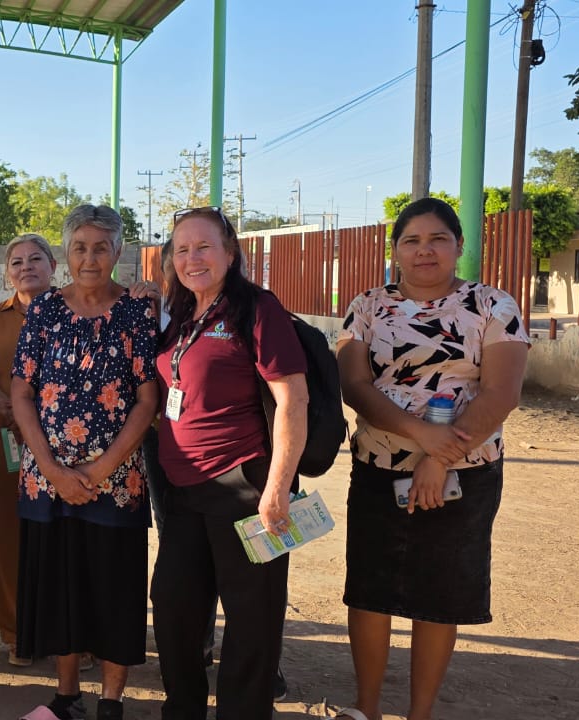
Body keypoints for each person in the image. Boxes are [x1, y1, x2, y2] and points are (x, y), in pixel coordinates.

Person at [333, 198, 528, 720]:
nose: (425, 251)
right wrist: (421, 435)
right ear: (395, 250)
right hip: (377, 467)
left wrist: (440, 459)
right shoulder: (368, 306)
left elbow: (501, 392)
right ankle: (366, 708)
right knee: (370, 592)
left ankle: (420, 713)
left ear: (459, 246)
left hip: (466, 472)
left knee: (440, 594)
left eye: (437, 239)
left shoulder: (494, 306)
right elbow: (354, 384)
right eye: (412, 241)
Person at [152, 206, 307, 720]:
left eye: (203, 247)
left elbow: (292, 401)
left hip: (245, 486)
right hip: (184, 491)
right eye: (181, 249)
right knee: (174, 608)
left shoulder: (256, 309)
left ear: (231, 252)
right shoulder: (181, 313)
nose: (191, 258)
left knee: (252, 621)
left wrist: (278, 488)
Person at [12, 206, 159, 720]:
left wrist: (98, 472)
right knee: (60, 589)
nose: (90, 257)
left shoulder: (138, 313)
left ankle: (111, 701)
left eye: (101, 247)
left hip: (116, 484)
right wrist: (51, 469)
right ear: (66, 254)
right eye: (80, 247)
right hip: (47, 482)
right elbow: (21, 391)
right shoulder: (45, 310)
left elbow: (147, 399)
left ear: (119, 252)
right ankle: (67, 694)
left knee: (114, 591)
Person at [0, 234, 57, 667]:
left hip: (63, 441)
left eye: (36, 258)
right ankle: (17, 631)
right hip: (1, 439)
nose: (26, 267)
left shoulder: (75, 310)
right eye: (17, 261)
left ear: (53, 265)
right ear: (7, 272)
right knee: (8, 533)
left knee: (64, 536)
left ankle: (69, 634)